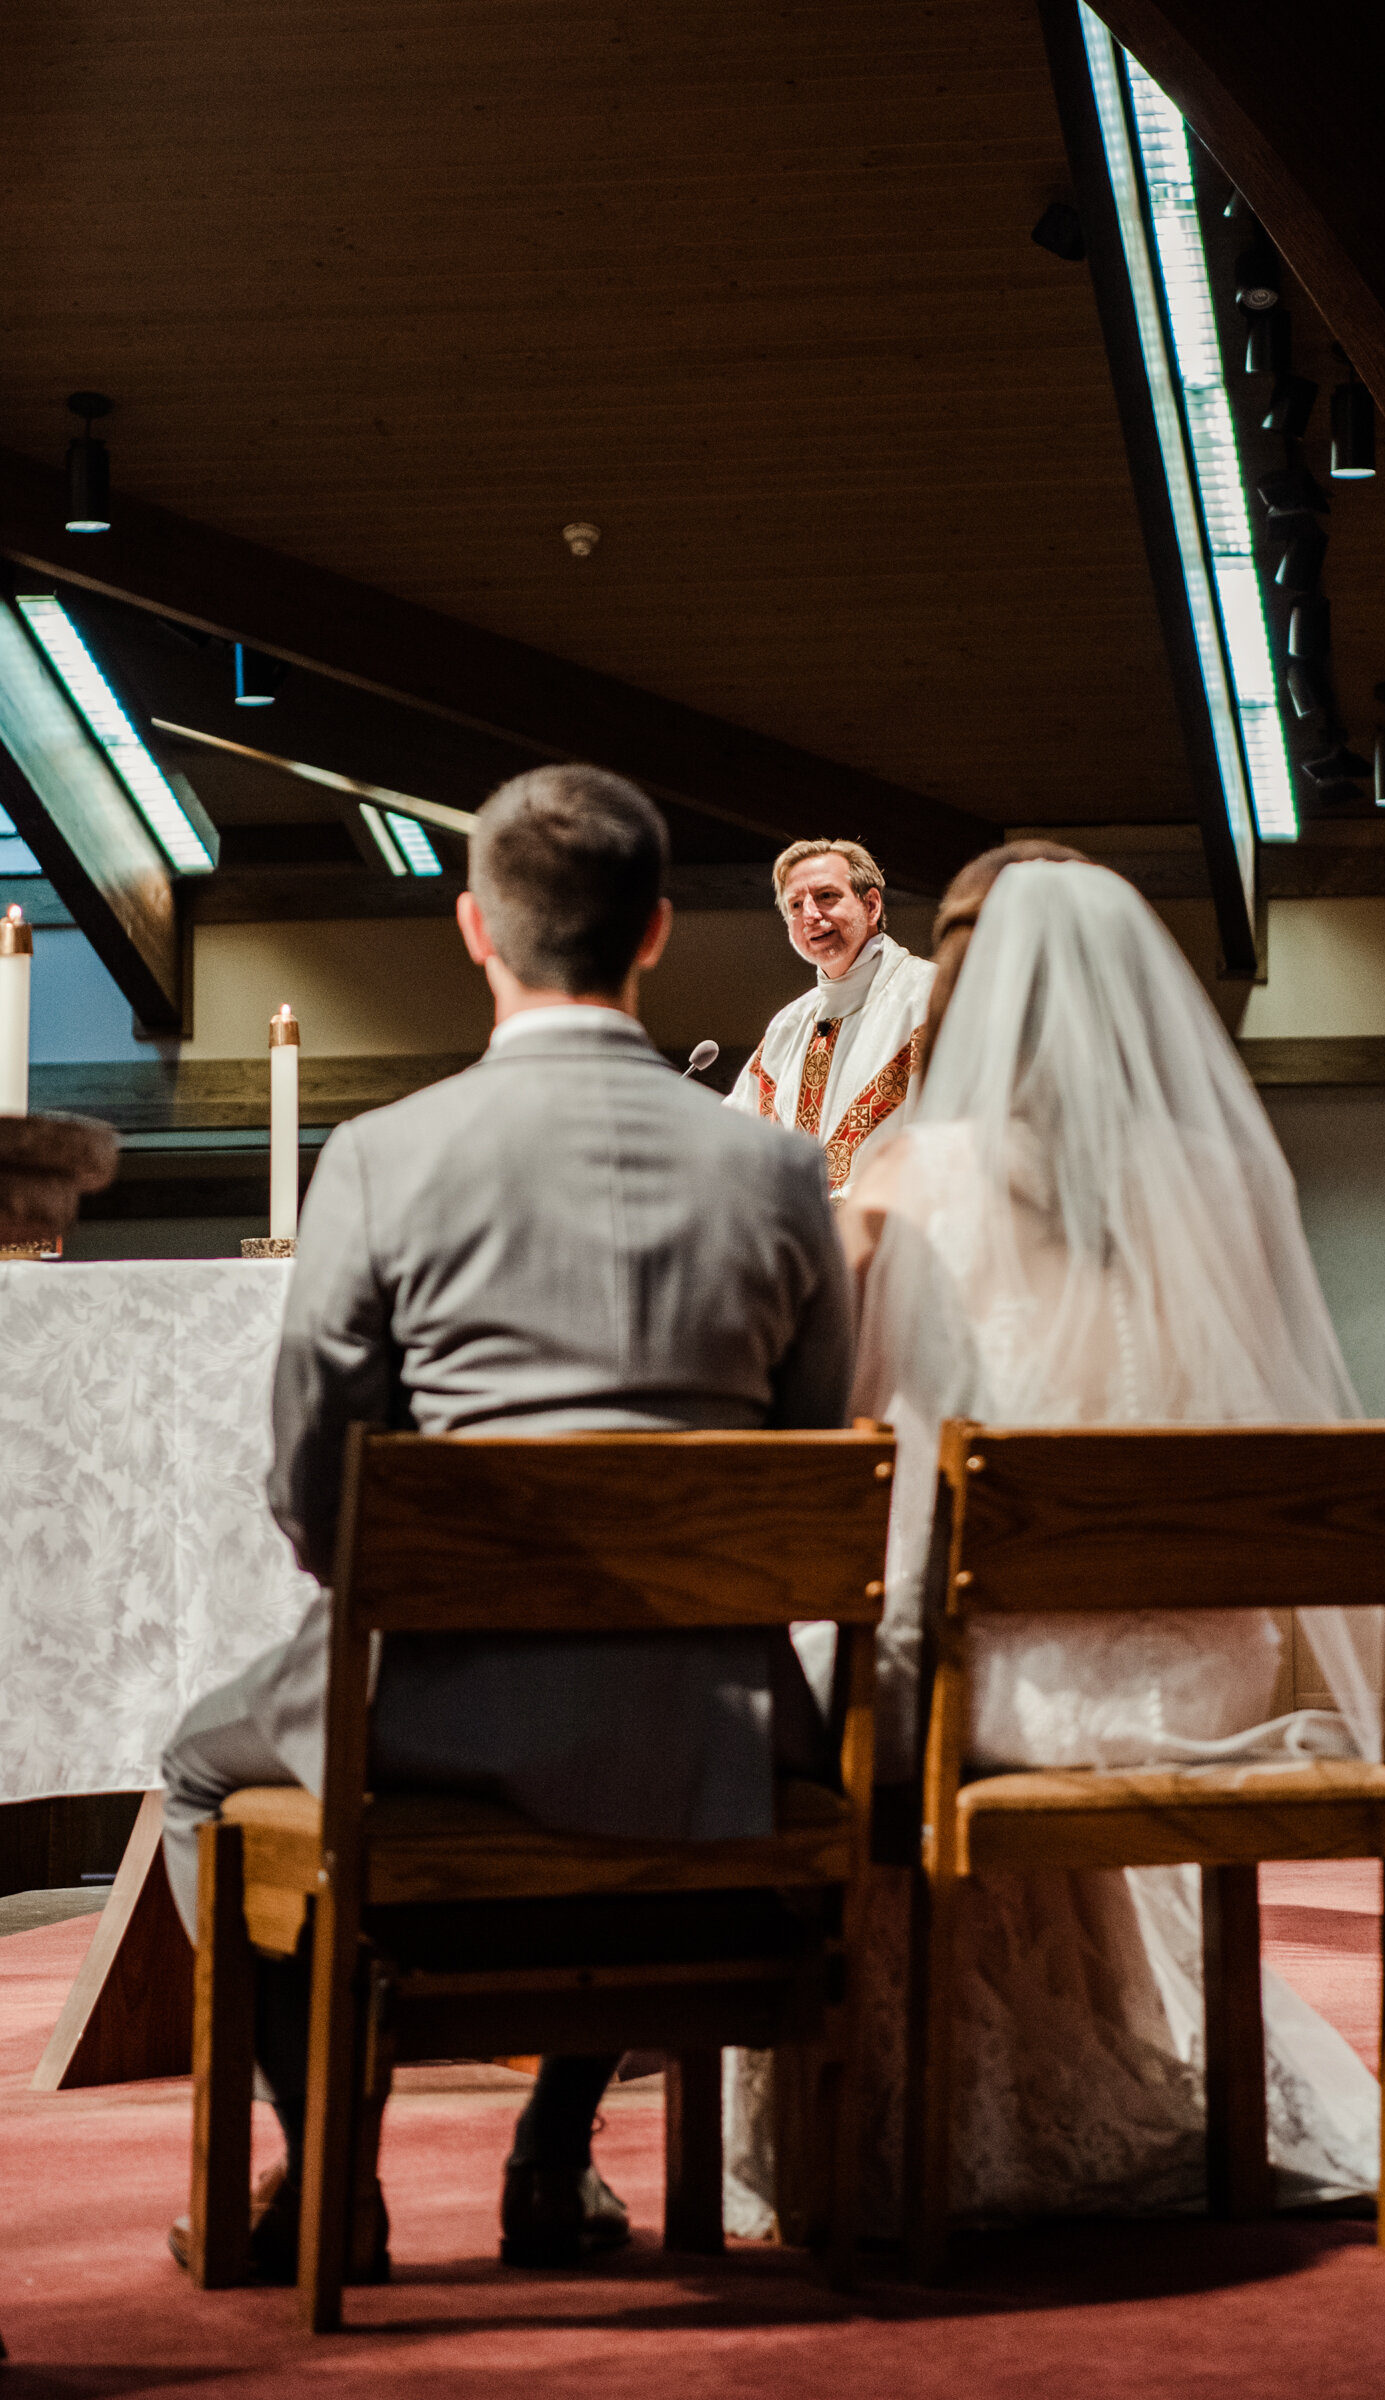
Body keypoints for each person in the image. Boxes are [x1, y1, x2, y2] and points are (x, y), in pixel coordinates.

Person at [725, 846, 1385, 2233]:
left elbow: (821, 1436)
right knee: (942, 1650)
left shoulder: (904, 1181)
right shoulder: (1218, 1189)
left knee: (815, 1688)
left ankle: (906, 2113)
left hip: (998, 1679)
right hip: (1203, 1672)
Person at [161, 763, 853, 2281]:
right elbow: (816, 1453)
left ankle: (330, 2166)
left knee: (195, 1781)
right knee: (627, 1715)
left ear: (475, 929)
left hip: (433, 1730)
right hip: (716, 1740)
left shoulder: (389, 1157)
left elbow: (311, 1480)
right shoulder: (779, 1169)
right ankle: (552, 2153)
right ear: (658, 932)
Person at [724, 838, 935, 1199]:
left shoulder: (931, 997)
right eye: (795, 905)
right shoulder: (787, 1026)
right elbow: (734, 1134)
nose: (810, 915)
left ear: (870, 905)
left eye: (826, 896)